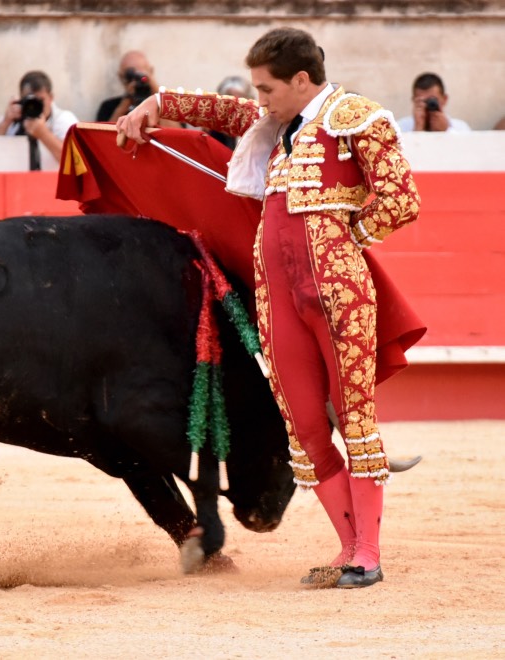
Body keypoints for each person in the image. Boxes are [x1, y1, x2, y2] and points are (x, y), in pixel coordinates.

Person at [116, 27, 421, 589]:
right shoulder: (275, 123)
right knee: (305, 428)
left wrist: (340, 235)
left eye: (266, 89)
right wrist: (156, 103)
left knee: (354, 421)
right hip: (277, 295)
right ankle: (349, 548)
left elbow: (402, 201)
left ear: (300, 81)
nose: (257, 100)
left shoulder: (358, 117)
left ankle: (367, 555)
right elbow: (221, 108)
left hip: (338, 294)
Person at [0, 70, 78, 168]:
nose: (34, 106)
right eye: (30, 100)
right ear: (21, 99)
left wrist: (42, 133)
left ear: (51, 97)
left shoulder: (64, 119)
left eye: (40, 100)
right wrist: (5, 123)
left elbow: (75, 162)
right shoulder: (12, 118)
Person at [397, 72, 471, 133]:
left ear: (445, 99)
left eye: (432, 100)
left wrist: (446, 131)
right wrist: (417, 130)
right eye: (422, 101)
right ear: (414, 100)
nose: (427, 105)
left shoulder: (461, 128)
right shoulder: (400, 127)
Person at [208, 75, 256, 150]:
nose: (235, 107)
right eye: (230, 101)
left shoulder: (255, 127)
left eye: (240, 100)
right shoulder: (213, 127)